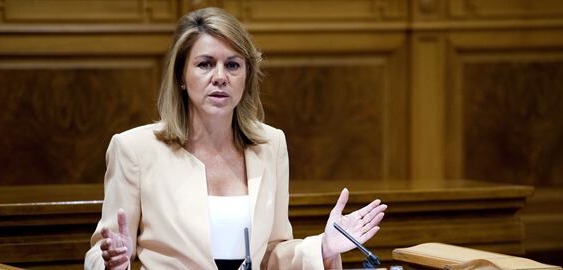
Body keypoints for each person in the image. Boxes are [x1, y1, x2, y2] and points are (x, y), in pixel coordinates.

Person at [84, 7, 387, 270]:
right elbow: (101, 251)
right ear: (181, 77)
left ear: (246, 75)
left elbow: (271, 254)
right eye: (205, 64)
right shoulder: (134, 149)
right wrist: (114, 262)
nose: (220, 76)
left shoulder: (270, 145)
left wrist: (323, 247)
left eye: (232, 65)